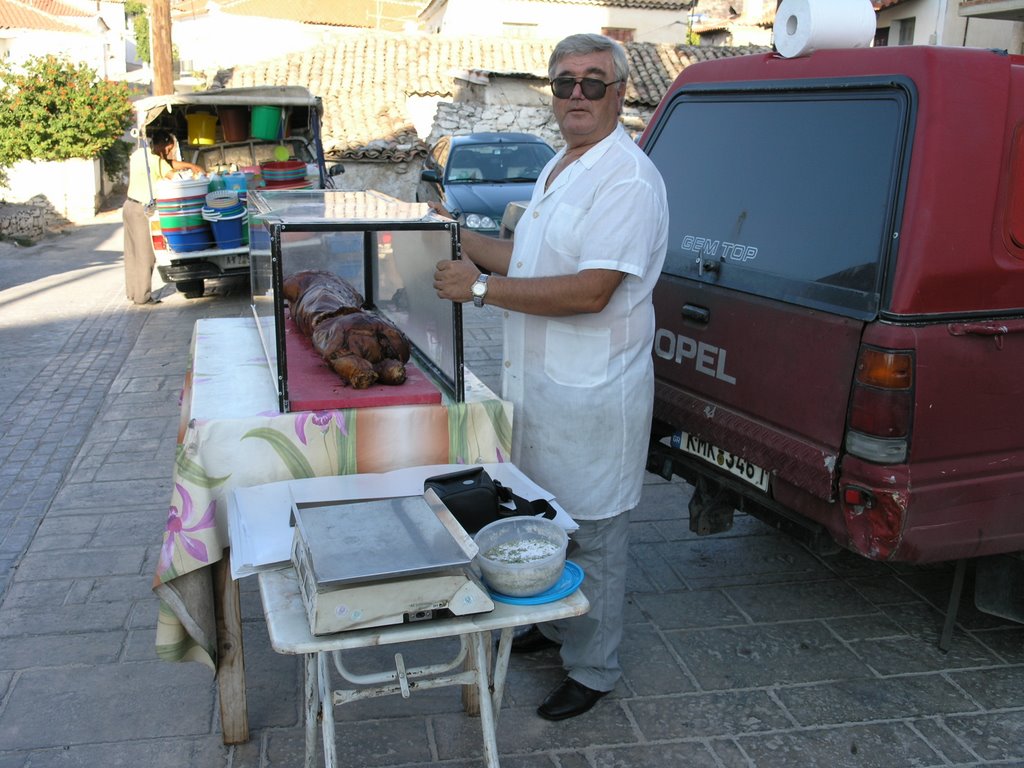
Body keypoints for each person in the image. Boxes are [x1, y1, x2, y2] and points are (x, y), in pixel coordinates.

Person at [432, 33, 669, 721]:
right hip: (541, 390)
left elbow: (592, 290)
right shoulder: (561, 164)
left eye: (593, 82)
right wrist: (446, 235)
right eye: (564, 82)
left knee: (594, 531)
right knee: (545, 514)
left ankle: (593, 669)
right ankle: (552, 622)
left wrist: (478, 291)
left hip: (594, 398)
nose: (576, 95)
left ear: (621, 93)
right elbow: (527, 257)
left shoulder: (626, 179)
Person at [122, 130, 203, 304]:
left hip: (128, 206)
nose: (169, 152)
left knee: (132, 252)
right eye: (169, 149)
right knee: (146, 255)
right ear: (163, 145)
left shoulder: (138, 154)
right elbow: (174, 177)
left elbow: (167, 163)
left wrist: (188, 164)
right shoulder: (156, 161)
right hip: (142, 210)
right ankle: (143, 297)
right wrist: (192, 170)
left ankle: (132, 293)